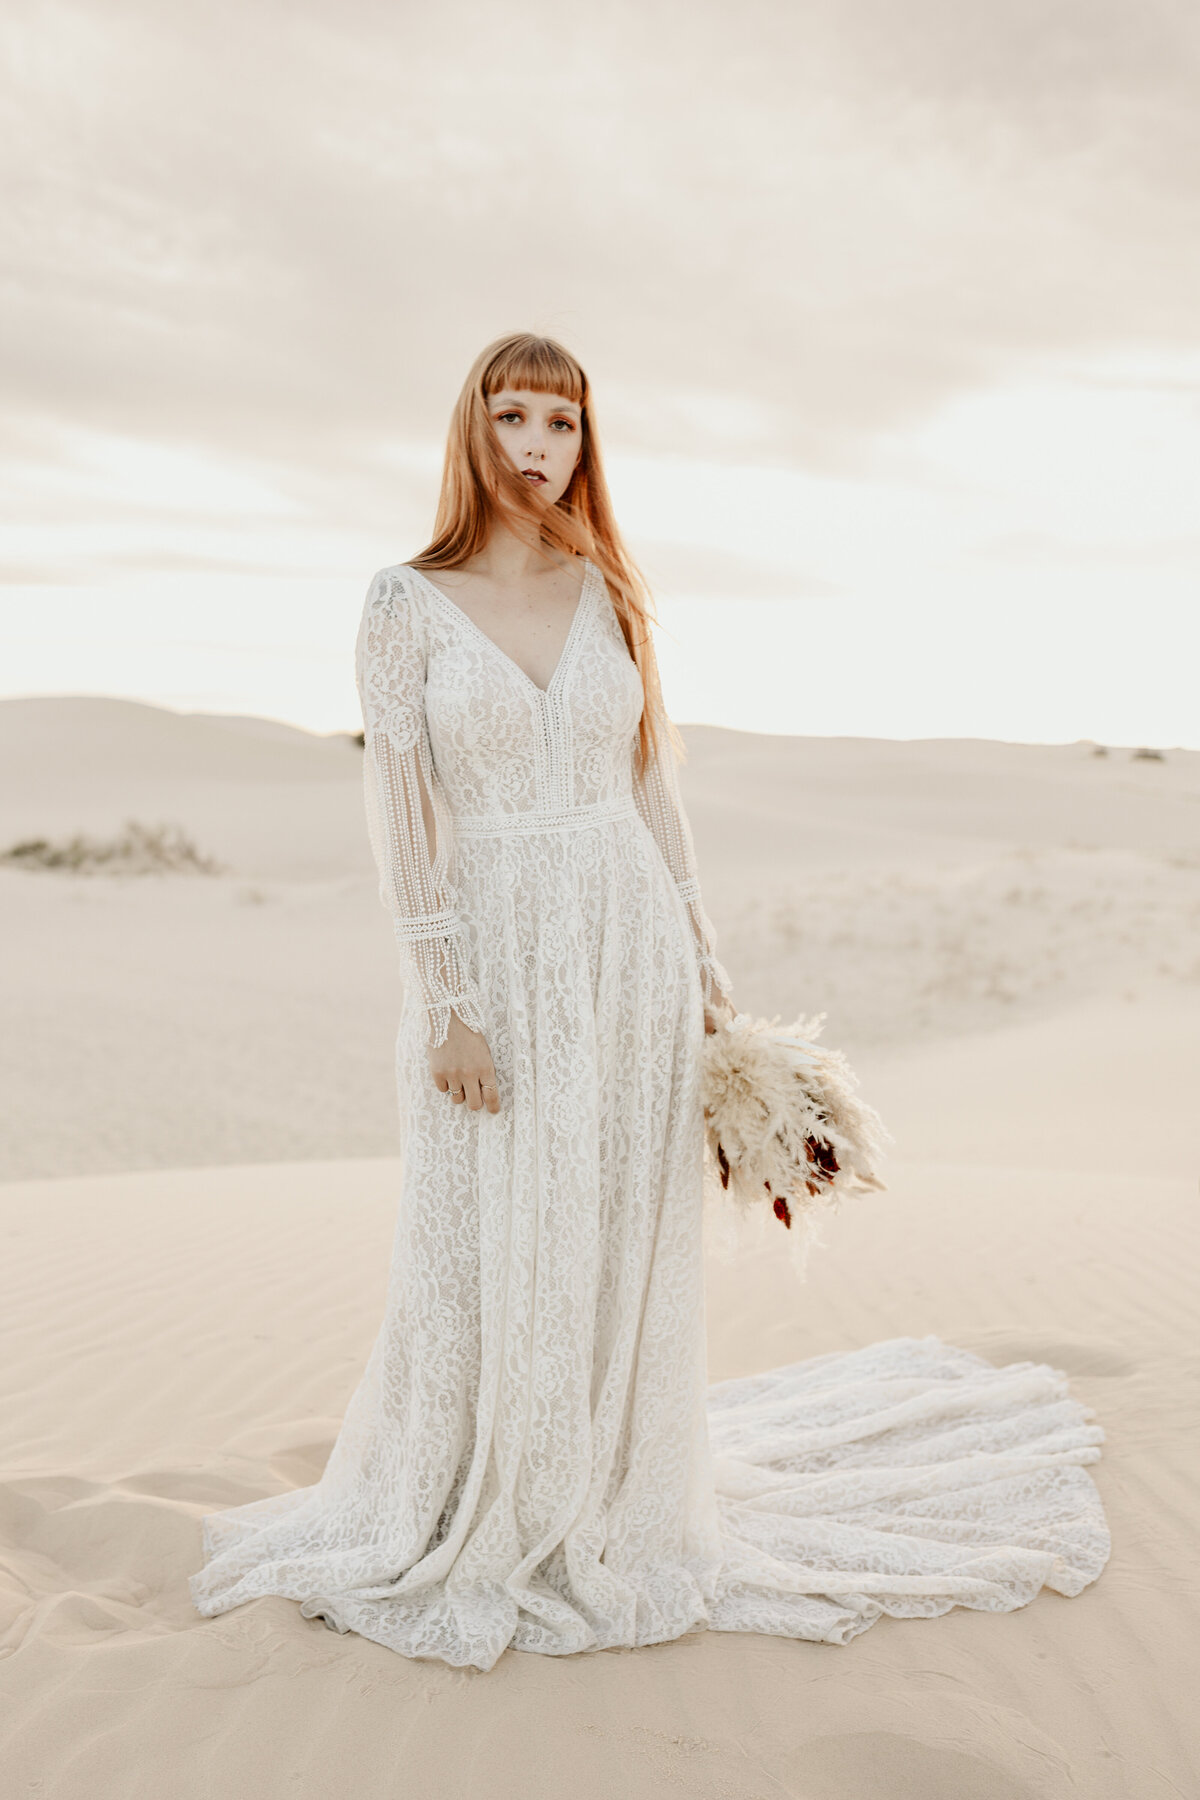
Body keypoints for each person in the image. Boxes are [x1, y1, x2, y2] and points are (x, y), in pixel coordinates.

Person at [190, 333, 1110, 1671]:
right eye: (512, 417)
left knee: (616, 1218)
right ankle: (470, 1494)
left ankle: (609, 1495)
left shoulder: (608, 584)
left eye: (561, 423)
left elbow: (652, 789)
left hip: (627, 944)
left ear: (584, 440)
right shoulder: (403, 600)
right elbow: (401, 813)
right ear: (472, 430)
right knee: (490, 1225)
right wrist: (447, 998)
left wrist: (705, 961)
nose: (536, 447)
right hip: (493, 956)